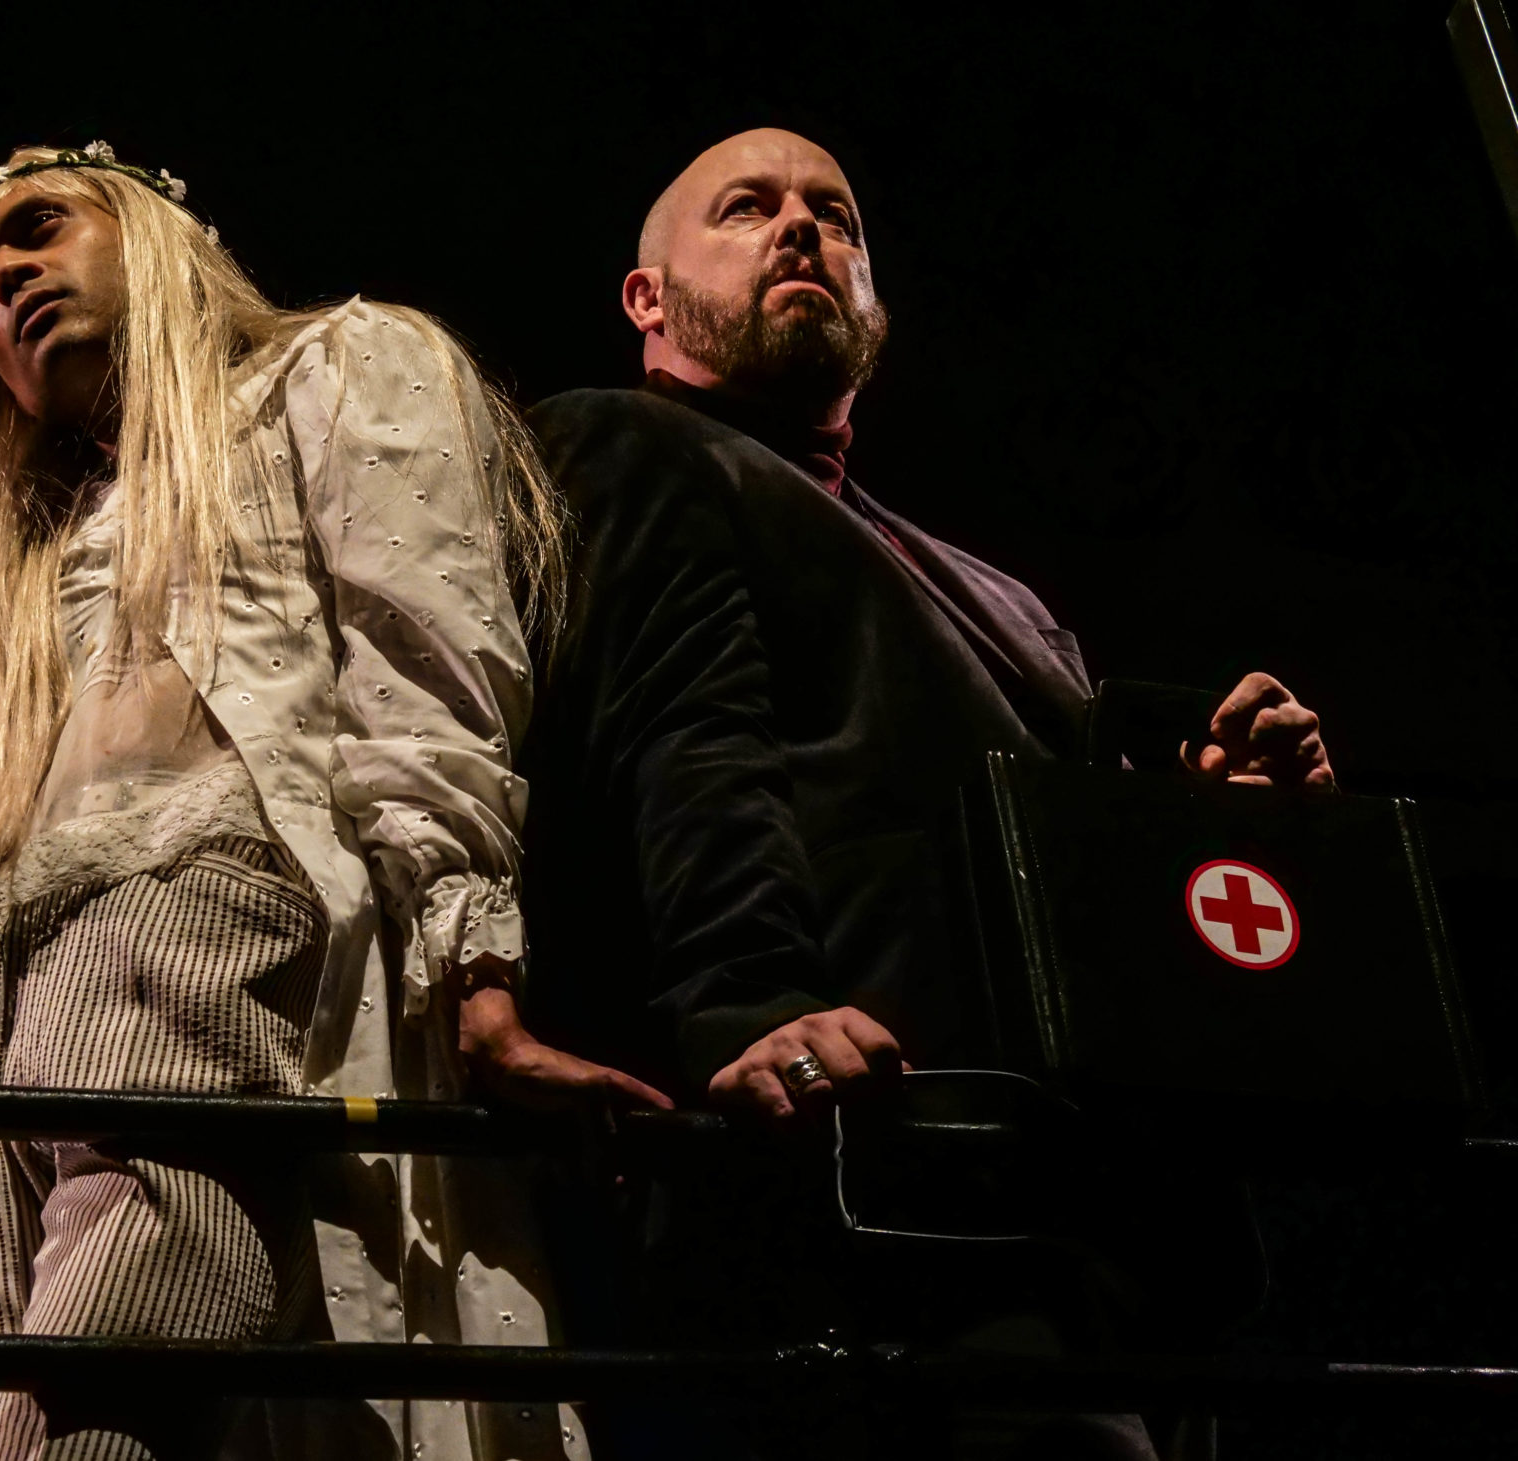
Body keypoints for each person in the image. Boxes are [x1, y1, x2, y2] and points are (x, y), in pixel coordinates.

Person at [0, 141, 661, 1461]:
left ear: (152, 236)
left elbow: (427, 693)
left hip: (218, 933)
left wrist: (479, 982)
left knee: (132, 1358)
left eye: (41, 228)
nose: (5, 278)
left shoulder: (333, 372)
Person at [520, 127, 1334, 1460]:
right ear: (647, 299)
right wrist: (751, 1005)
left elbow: (1066, 857)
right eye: (747, 208)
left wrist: (1211, 815)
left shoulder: (1000, 594)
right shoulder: (634, 443)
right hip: (875, 1183)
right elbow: (689, 736)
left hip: (1094, 1213)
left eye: (835, 216)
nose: (801, 227)